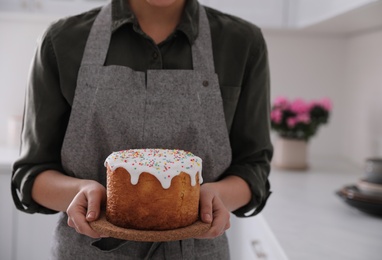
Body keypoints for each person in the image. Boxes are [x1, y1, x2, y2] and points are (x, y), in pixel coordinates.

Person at [11, 0, 273, 259]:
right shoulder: (62, 41)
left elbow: (253, 167)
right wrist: (80, 194)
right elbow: (32, 173)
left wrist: (212, 197)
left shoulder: (243, 43)